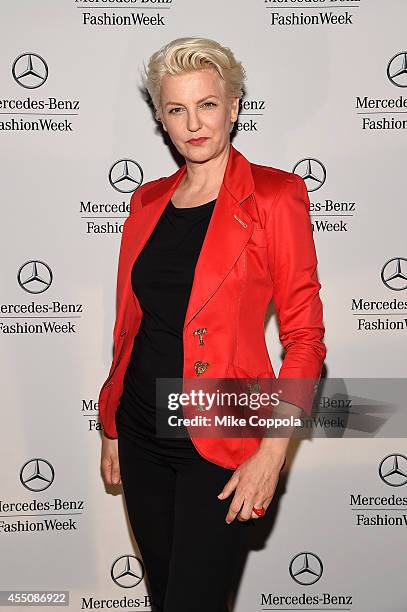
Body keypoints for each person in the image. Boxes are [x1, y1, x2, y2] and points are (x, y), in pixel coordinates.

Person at [98, 37, 326, 612]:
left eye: (207, 104)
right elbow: (131, 325)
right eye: (176, 109)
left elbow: (305, 340)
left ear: (233, 106)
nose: (193, 123)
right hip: (141, 428)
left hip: (222, 430)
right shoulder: (146, 203)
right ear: (160, 119)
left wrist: (271, 455)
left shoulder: (276, 196)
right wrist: (112, 420)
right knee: (163, 596)